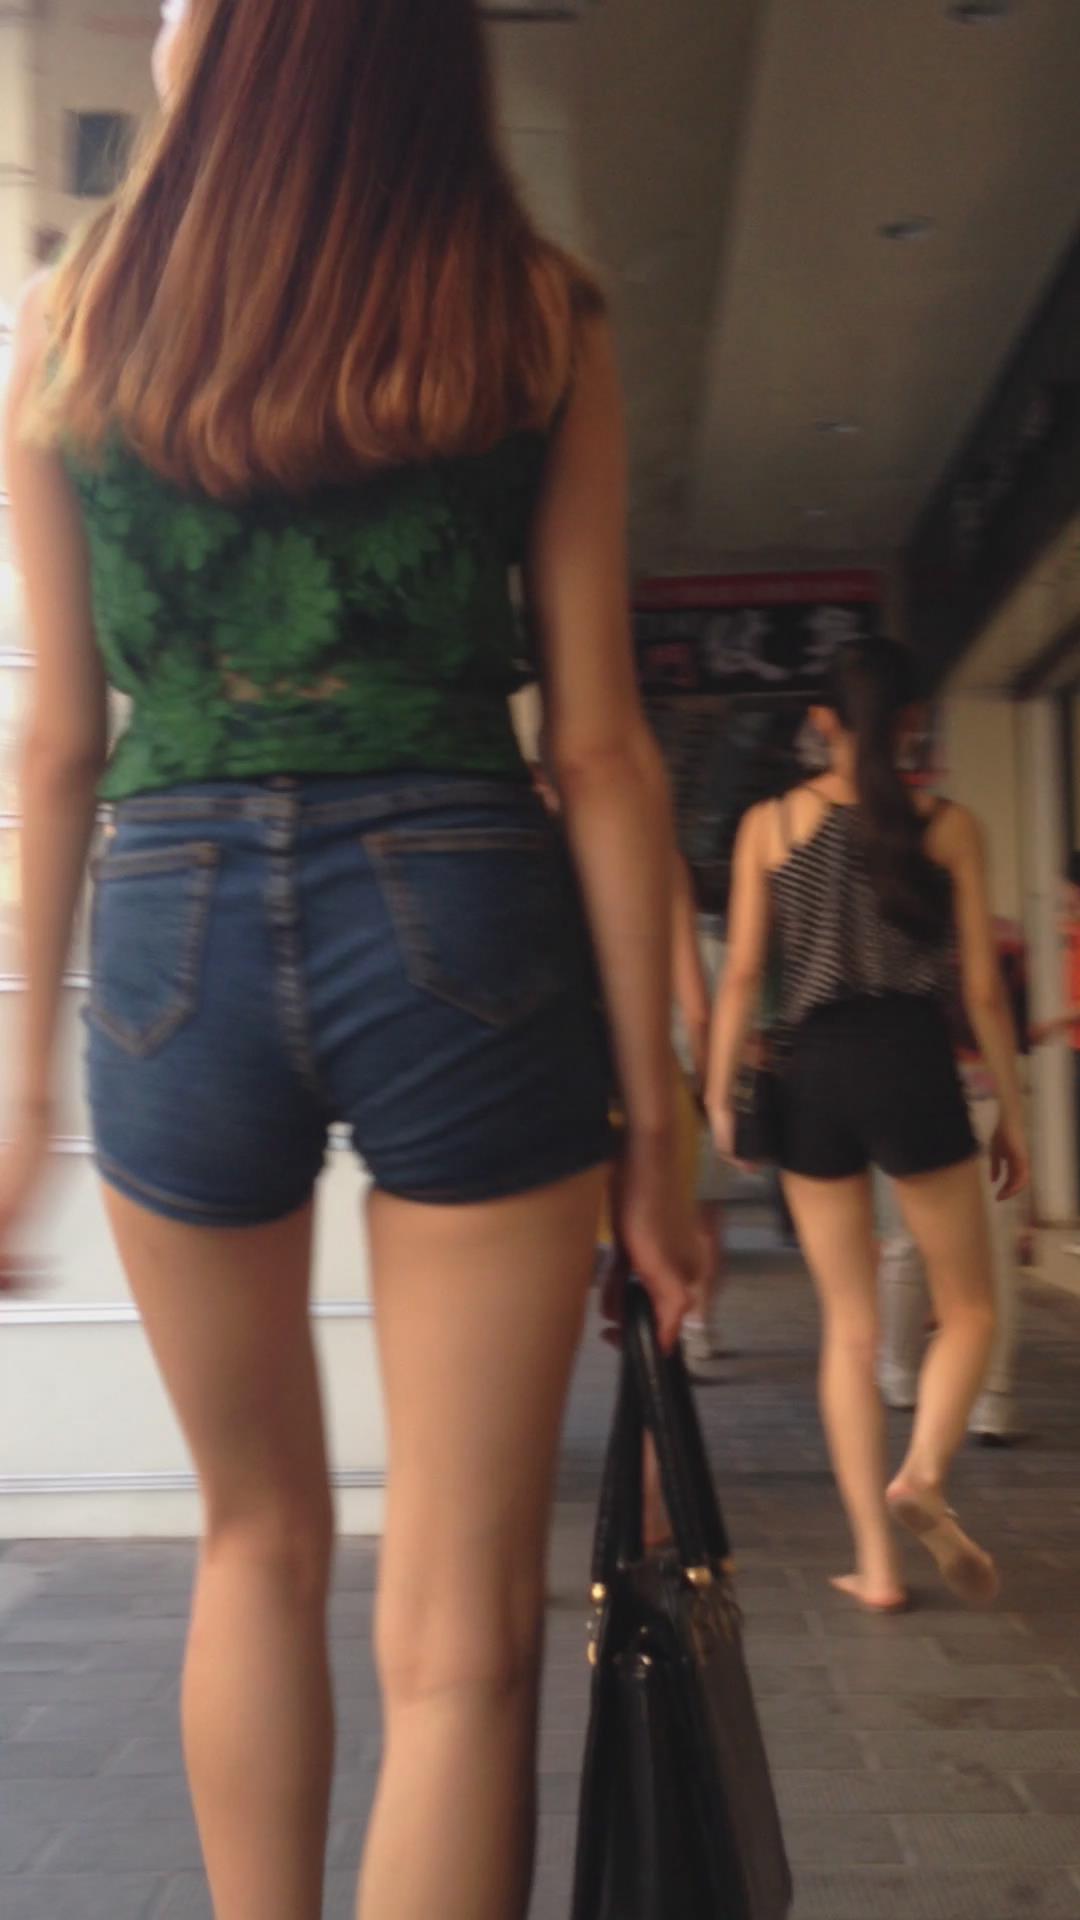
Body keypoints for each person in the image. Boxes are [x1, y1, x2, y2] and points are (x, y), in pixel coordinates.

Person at [1, 5, 694, 1918]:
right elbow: (600, 748)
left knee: (252, 1539)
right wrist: (658, 1127)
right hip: (464, 900)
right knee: (463, 1632)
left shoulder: (68, 324)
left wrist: (25, 1087)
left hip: (173, 923)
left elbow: (57, 742)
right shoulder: (533, 313)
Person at [707, 638, 1028, 1615]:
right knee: (968, 1310)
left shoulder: (770, 825)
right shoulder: (949, 828)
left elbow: (743, 974)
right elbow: (981, 990)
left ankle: (876, 1568)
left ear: (823, 723)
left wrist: (718, 1093)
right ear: (912, 723)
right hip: (911, 1061)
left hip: (811, 1071)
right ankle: (922, 1472)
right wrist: (1013, 1114)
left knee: (847, 1330)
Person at [878, 917, 1030, 1445]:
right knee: (994, 1251)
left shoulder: (888, 921)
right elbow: (1001, 1010)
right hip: (982, 1090)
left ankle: (898, 1371)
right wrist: (1015, 1108)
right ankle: (993, 1398)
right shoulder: (1004, 936)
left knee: (906, 1240)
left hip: (907, 1090)